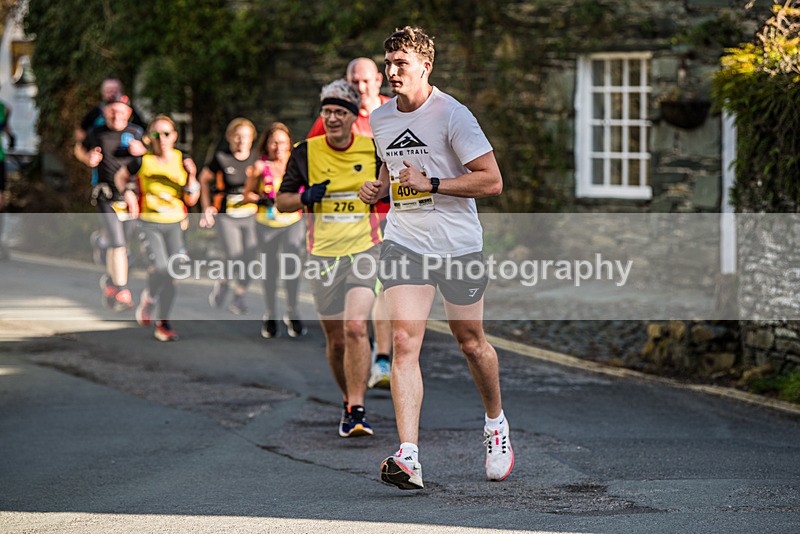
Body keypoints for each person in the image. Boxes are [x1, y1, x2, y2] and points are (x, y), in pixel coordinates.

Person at [359, 26, 513, 490]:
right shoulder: (381, 118)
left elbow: (491, 181)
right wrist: (380, 188)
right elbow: (389, 162)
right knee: (404, 341)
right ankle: (409, 456)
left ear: (426, 66)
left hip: (458, 245)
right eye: (388, 63)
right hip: (405, 240)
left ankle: (495, 424)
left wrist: (434, 184)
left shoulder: (453, 115)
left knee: (471, 343)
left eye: (401, 63)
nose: (391, 72)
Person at [277, 79, 382, 438]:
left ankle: (357, 408)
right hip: (322, 254)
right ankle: (347, 398)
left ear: (354, 116)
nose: (333, 118)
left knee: (356, 327)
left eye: (340, 112)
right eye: (327, 112)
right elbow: (281, 201)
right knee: (336, 339)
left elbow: (393, 193)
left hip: (365, 249)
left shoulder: (373, 150)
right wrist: (307, 197)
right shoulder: (306, 151)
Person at [308, 57, 393, 390]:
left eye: (367, 81)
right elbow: (312, 161)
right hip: (351, 224)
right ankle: (365, 353)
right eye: (354, 81)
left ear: (378, 79)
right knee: (361, 296)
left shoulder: (392, 112)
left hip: (392, 214)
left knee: (386, 284)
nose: (361, 87)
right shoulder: (336, 116)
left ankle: (382, 359)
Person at [115, 114, 200, 341]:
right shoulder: (143, 161)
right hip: (149, 222)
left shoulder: (183, 161)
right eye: (156, 134)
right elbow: (120, 177)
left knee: (172, 273)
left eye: (166, 134)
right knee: (162, 268)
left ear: (174, 136)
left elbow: (191, 199)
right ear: (149, 137)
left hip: (175, 224)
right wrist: (128, 194)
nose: (161, 138)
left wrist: (192, 176)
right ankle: (151, 297)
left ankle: (163, 323)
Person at [74, 94, 146, 310]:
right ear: (105, 112)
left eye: (121, 111)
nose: (116, 115)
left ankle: (109, 277)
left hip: (131, 195)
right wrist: (87, 159)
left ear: (129, 113)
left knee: (125, 245)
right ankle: (122, 289)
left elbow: (150, 159)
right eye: (112, 111)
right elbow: (79, 147)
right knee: (119, 244)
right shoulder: (97, 133)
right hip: (106, 194)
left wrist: (142, 151)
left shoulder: (136, 133)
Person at [243, 122, 306, 338]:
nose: (278, 147)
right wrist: (263, 199)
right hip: (267, 224)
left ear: (289, 144)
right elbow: (247, 194)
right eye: (274, 142)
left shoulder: (296, 162)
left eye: (283, 142)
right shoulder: (261, 167)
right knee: (270, 270)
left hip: (292, 221)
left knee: (292, 265)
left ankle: (292, 309)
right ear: (267, 144)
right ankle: (270, 312)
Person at [199, 118, 260, 315]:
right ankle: (224, 281)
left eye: (246, 137)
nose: (241, 141)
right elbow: (204, 180)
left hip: (251, 215)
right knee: (235, 254)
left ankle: (239, 295)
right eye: (237, 137)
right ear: (230, 138)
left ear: (252, 139)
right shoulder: (221, 158)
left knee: (250, 256)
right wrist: (207, 207)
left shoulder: (256, 159)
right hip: (227, 215)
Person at [75, 78, 146, 145]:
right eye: (109, 91)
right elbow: (81, 131)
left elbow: (143, 132)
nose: (112, 94)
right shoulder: (95, 111)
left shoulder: (131, 111)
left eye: (115, 91)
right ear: (103, 94)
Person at [0, 94, 15, 260]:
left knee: (1, 201)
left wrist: (11, 136)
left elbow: (6, 127)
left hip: (0, 158)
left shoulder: (5, 108)